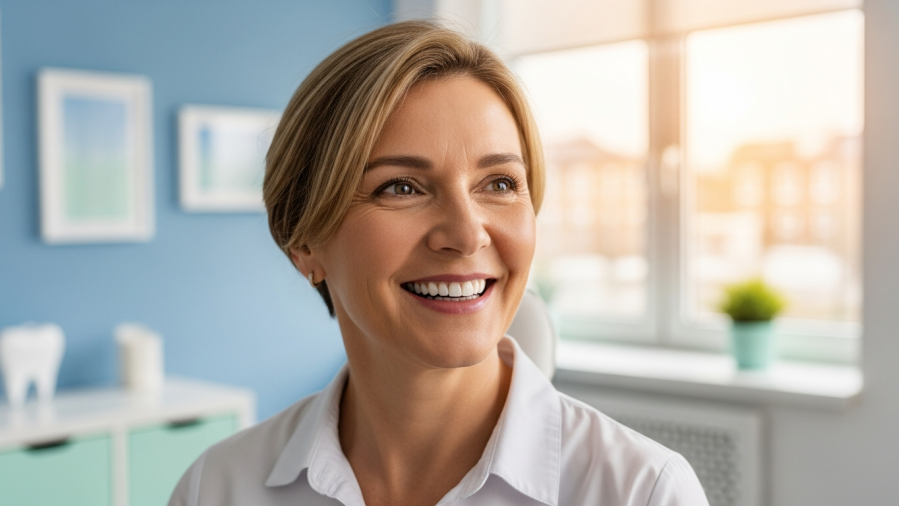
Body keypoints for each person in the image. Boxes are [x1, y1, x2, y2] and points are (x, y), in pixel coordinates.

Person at [169, 20, 709, 506]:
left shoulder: (643, 491)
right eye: (401, 187)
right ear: (305, 242)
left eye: (499, 184)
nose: (467, 233)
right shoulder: (217, 487)